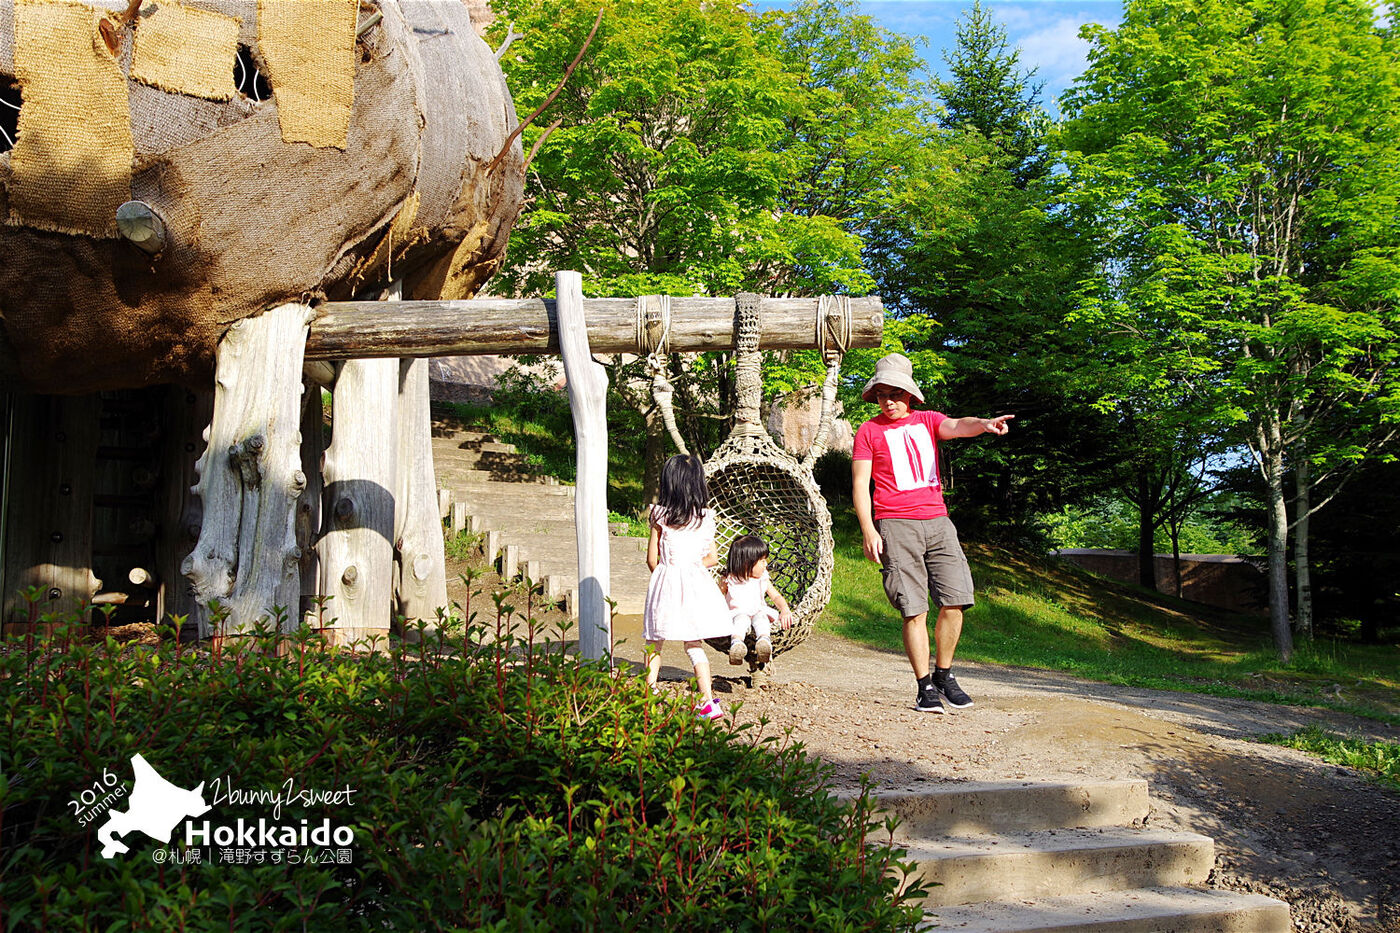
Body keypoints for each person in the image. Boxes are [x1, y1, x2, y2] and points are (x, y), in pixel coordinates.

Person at [851, 353, 1013, 714]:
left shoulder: (927, 421)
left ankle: (944, 674)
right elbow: (861, 485)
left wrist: (985, 424)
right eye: (881, 394)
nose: (888, 401)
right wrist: (868, 530)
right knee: (913, 607)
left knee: (955, 599)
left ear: (909, 395)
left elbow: (957, 426)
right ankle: (924, 685)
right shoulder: (868, 431)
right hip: (895, 523)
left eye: (895, 393)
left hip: (939, 522)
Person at [643, 454, 734, 720]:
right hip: (695, 582)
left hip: (666, 580)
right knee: (693, 643)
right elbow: (713, 558)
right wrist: (691, 569)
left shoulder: (659, 514)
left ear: (669, 483)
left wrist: (667, 576)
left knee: (654, 641)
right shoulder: (706, 517)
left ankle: (649, 693)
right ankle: (707, 701)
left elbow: (651, 559)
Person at [720, 534, 794, 665]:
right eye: (762, 561)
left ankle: (764, 642)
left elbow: (775, 596)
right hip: (737, 613)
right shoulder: (729, 579)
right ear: (747, 563)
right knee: (740, 621)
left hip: (758, 611)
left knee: (761, 619)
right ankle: (737, 645)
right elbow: (717, 598)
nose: (766, 564)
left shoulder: (762, 578)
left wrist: (785, 609)